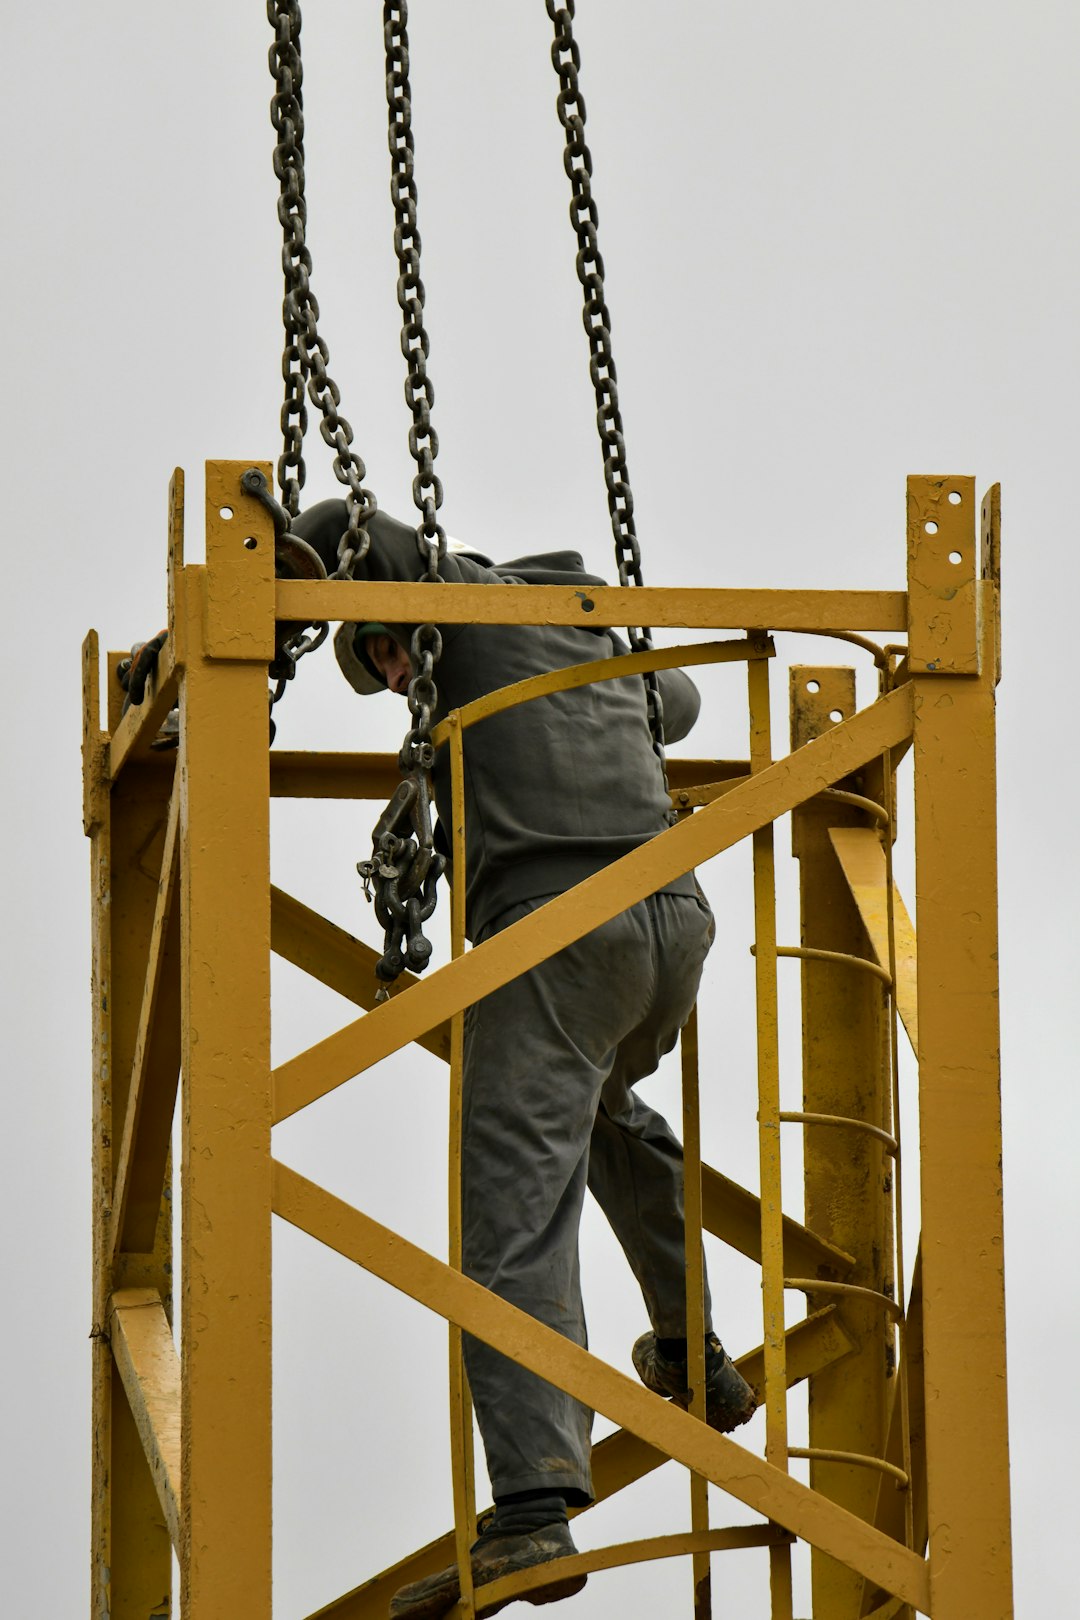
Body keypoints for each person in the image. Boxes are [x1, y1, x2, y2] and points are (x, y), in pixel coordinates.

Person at [292, 500, 756, 1619]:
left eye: (387, 646)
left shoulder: (462, 605)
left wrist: (281, 581)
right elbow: (682, 701)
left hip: (558, 927)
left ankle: (533, 1509)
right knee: (609, 1117)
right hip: (668, 928)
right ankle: (691, 1349)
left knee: (513, 1197)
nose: (397, 671)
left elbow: (350, 534)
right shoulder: (594, 633)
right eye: (381, 663)